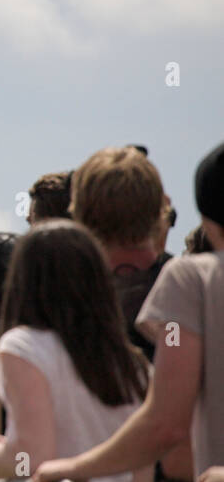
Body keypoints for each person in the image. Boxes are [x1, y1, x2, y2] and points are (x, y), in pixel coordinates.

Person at [31, 141, 224, 482]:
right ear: (160, 211)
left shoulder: (189, 283)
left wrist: (76, 467)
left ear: (80, 214)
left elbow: (168, 432)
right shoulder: (179, 279)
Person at [0, 221, 152, 482]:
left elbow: (29, 460)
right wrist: (5, 446)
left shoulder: (24, 348)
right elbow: (140, 474)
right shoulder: (133, 364)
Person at [69, 146, 165, 363]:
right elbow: (178, 345)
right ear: (159, 209)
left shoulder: (65, 300)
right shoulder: (184, 288)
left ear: (80, 211)